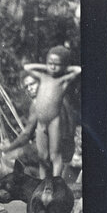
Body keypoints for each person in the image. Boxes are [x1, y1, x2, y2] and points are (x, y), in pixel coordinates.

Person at [22, 46, 82, 180]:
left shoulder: (62, 81)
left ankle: (56, 184)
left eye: (57, 65)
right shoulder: (43, 77)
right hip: (42, 124)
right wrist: (47, 66)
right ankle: (43, 184)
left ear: (64, 66)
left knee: (55, 155)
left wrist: (64, 67)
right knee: (42, 157)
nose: (53, 67)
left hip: (55, 123)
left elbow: (78, 70)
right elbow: (27, 67)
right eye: (50, 63)